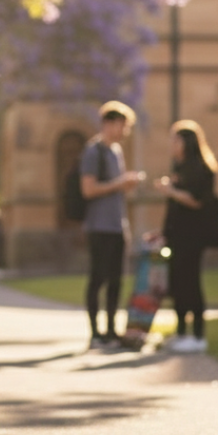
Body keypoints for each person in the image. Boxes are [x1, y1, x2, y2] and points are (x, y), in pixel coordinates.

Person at [80, 101, 143, 348]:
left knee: (116, 280)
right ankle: (95, 333)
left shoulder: (116, 151)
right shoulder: (93, 152)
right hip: (99, 226)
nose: (125, 131)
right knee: (98, 279)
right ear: (110, 123)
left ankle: (111, 331)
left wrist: (125, 184)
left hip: (118, 225)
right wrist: (120, 183)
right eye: (122, 126)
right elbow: (88, 189)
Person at [155, 119, 218, 353]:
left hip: (193, 237)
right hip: (176, 236)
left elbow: (196, 200)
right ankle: (182, 333)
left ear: (186, 142)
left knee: (191, 283)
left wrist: (171, 191)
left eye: (175, 139)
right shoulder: (179, 168)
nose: (172, 144)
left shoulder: (202, 169)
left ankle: (198, 335)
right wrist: (163, 232)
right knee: (177, 285)